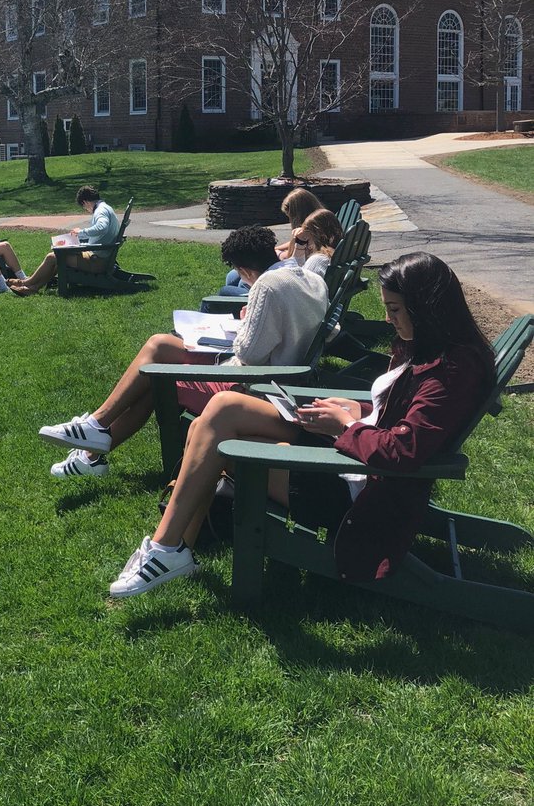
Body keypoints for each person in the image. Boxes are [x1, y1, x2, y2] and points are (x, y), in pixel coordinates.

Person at [105, 251, 495, 599]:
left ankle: (168, 549)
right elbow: (406, 421)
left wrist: (344, 427)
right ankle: (173, 548)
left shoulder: (452, 370)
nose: (389, 320)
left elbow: (404, 450)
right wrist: (359, 413)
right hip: (354, 461)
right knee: (220, 410)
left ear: (426, 308)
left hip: (357, 491)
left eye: (394, 310)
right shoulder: (432, 350)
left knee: (212, 437)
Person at [38, 224, 328, 478]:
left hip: (254, 386)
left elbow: (249, 353)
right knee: (160, 343)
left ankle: (94, 446)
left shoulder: (268, 284)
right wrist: (251, 318)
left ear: (243, 271)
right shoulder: (307, 276)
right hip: (279, 379)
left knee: (158, 377)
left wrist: (247, 321)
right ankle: (96, 430)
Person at [9, 185, 119, 296]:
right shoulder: (105, 208)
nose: (87, 210)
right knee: (58, 259)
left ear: (85, 202)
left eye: (84, 207)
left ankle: (25, 282)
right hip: (100, 256)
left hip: (97, 262)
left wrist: (80, 232)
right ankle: (33, 288)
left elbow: (102, 227)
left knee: (52, 257)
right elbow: (101, 235)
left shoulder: (100, 211)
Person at [217, 187, 323, 297]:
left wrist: (280, 254)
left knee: (235, 286)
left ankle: (239, 304)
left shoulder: (308, 234)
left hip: (281, 285)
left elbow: (294, 258)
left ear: (297, 214)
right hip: (288, 276)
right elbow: (293, 243)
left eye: (289, 216)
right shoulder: (310, 229)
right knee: (233, 276)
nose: (289, 220)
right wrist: (277, 249)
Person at [292, 208, 343, 279]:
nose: (305, 236)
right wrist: (300, 243)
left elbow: (295, 276)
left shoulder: (318, 260)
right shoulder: (338, 253)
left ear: (319, 234)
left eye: (307, 232)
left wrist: (299, 242)